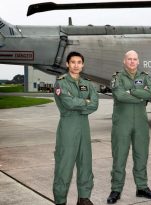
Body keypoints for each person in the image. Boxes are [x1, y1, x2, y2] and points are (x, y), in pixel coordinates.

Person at [106, 50, 151, 204]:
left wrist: (132, 91)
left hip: (141, 123)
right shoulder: (117, 77)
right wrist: (140, 97)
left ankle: (142, 187)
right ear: (124, 61)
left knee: (141, 156)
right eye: (129, 59)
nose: (132, 62)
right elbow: (120, 95)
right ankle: (116, 189)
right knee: (119, 157)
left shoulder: (145, 76)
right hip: (122, 123)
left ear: (138, 61)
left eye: (135, 59)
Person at [53, 51, 99, 205]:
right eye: (73, 62)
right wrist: (84, 102)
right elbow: (68, 103)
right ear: (67, 64)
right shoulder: (61, 82)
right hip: (68, 126)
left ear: (82, 64)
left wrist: (80, 103)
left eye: (79, 62)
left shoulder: (87, 83)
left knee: (85, 163)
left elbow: (94, 104)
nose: (76, 65)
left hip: (84, 126)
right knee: (64, 165)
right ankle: (60, 200)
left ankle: (84, 198)